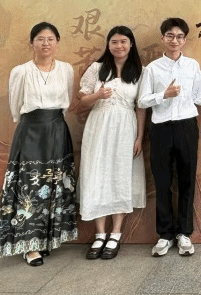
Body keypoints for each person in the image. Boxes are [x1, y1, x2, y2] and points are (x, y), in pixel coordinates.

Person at [137, 17, 201, 257]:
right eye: (170, 36)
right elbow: (142, 101)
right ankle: (164, 235)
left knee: (187, 180)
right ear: (162, 38)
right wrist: (163, 95)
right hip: (161, 128)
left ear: (184, 40)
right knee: (162, 181)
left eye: (179, 37)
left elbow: (197, 96)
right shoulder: (152, 68)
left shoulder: (192, 66)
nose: (175, 40)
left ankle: (184, 234)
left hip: (187, 126)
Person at [0, 22, 78, 266]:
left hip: (57, 130)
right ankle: (29, 245)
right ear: (32, 43)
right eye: (40, 39)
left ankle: (47, 239)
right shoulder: (21, 71)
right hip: (31, 131)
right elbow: (15, 107)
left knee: (54, 184)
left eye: (50, 39)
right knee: (30, 186)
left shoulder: (66, 69)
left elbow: (66, 101)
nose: (46, 43)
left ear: (57, 42)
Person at [78, 26, 147, 260]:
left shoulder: (140, 71)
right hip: (98, 128)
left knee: (121, 175)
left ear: (131, 44)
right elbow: (82, 100)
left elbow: (141, 107)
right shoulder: (97, 69)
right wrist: (97, 95)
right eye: (114, 42)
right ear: (108, 45)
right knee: (96, 175)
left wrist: (139, 137)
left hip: (126, 128)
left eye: (123, 41)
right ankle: (99, 234)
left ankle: (115, 233)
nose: (119, 46)